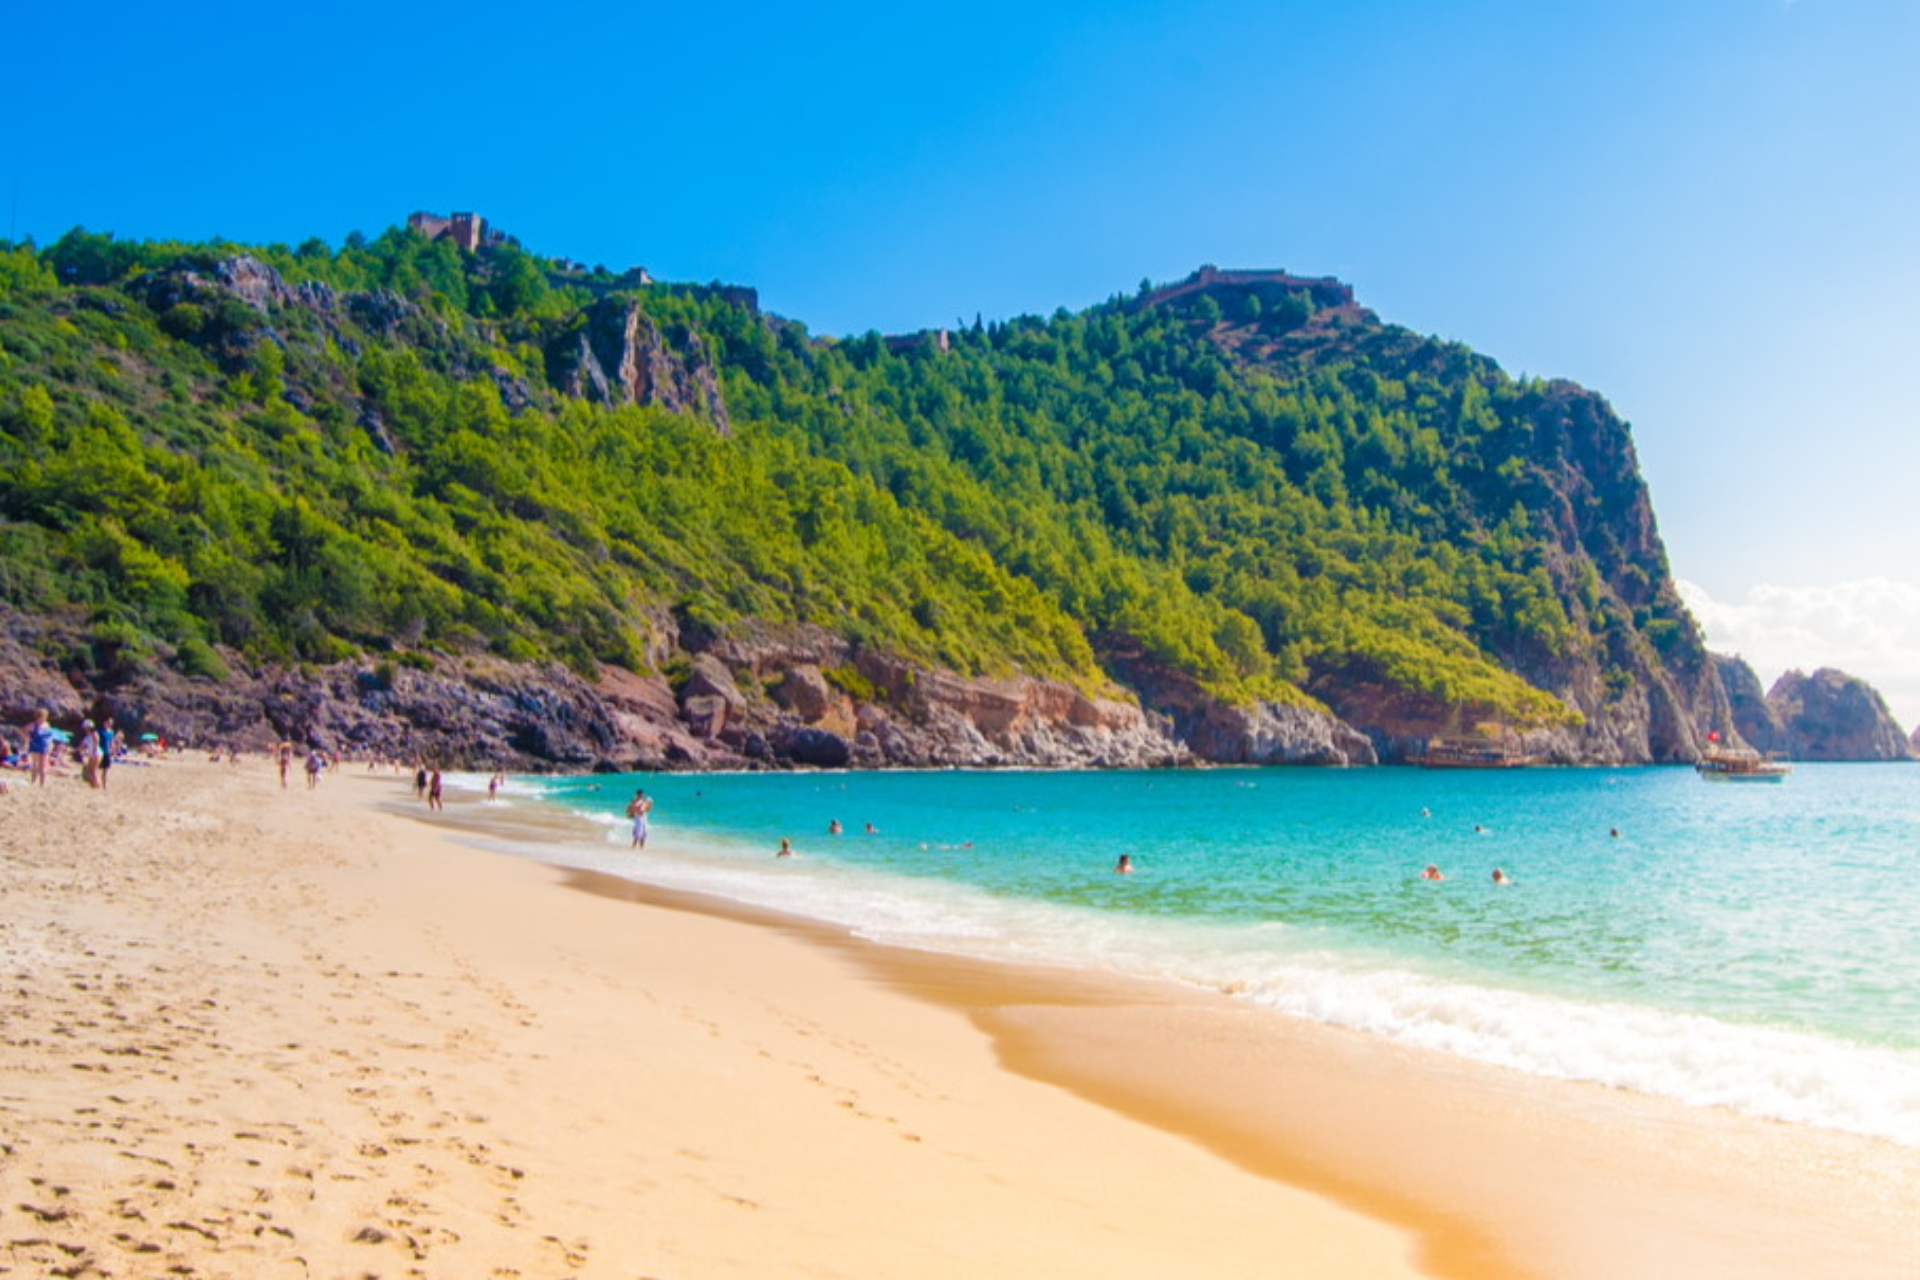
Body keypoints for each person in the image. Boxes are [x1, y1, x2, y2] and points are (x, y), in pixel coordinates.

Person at [77, 719, 100, 788]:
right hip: (92, 754)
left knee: (93, 771)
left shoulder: (94, 734)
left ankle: (97, 785)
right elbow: (82, 746)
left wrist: (93, 753)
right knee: (90, 771)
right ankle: (94, 785)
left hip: (96, 754)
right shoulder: (87, 736)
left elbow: (96, 743)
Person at [97, 718, 117, 791]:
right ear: (104, 722)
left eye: (110, 723)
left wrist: (113, 751)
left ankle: (104, 785)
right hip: (100, 752)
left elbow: (112, 742)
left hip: (107, 753)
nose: (109, 724)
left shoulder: (111, 732)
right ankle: (97, 783)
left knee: (105, 770)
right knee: (98, 769)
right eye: (108, 722)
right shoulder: (99, 731)